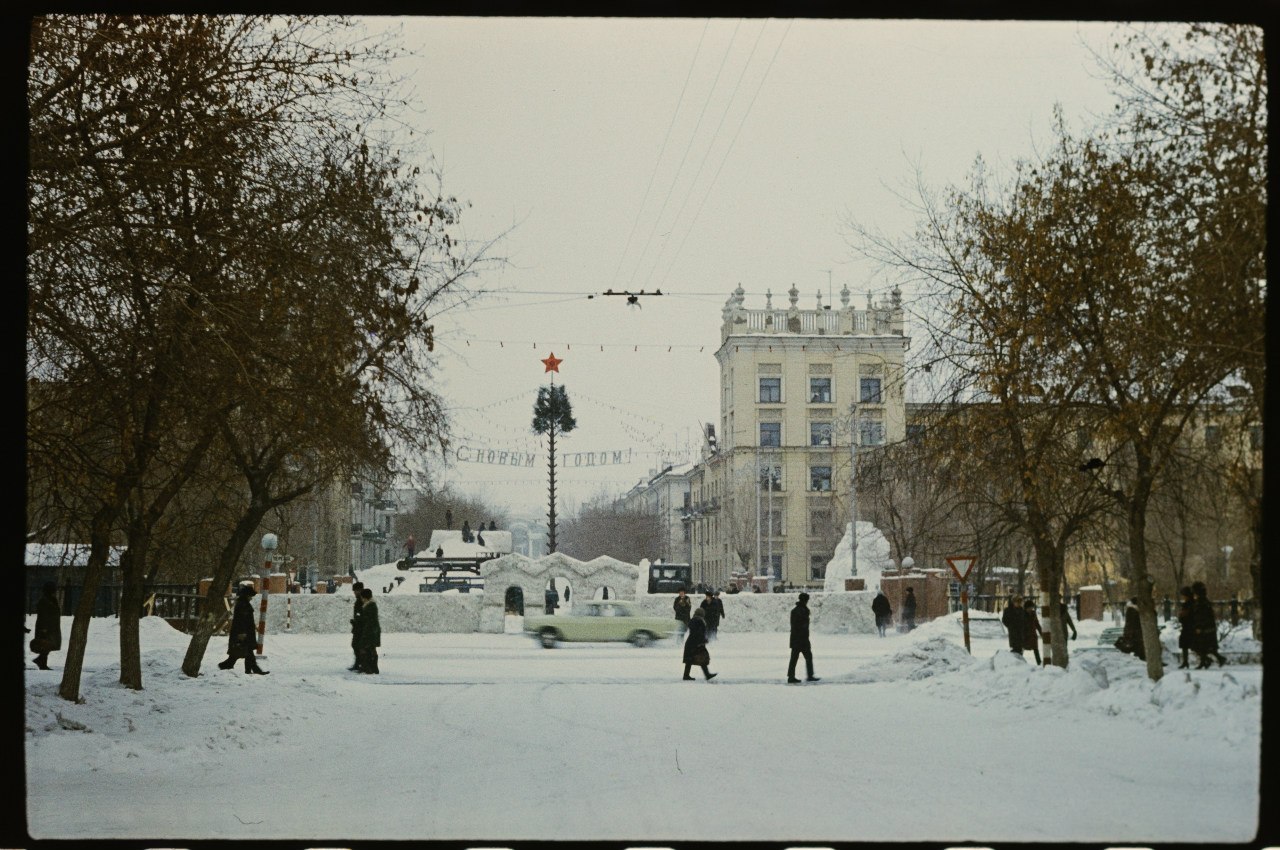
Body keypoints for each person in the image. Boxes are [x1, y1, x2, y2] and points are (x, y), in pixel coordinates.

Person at [218, 584, 269, 674]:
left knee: (244, 653)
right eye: (250, 596)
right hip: (243, 633)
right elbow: (241, 620)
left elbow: (247, 619)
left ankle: (250, 671)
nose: (251, 598)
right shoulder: (242, 604)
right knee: (242, 653)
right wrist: (241, 633)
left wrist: (254, 627)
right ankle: (227, 666)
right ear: (247, 595)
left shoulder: (243, 603)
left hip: (245, 632)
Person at [1191, 581, 1226, 668]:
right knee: (1205, 646)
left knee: (1201, 645)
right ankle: (1208, 660)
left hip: (1204, 628)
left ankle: (1206, 661)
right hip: (1207, 628)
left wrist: (1199, 626)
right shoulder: (1203, 601)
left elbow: (1201, 616)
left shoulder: (1202, 602)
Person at [786, 592, 819, 683]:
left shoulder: (796, 610)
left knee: (794, 658)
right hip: (801, 639)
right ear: (805, 600)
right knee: (807, 657)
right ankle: (809, 675)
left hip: (796, 639)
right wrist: (804, 637)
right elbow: (801, 626)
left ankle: (791, 676)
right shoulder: (802, 610)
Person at [31, 581, 62, 670]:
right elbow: (43, 615)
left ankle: (41, 661)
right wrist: (43, 629)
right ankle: (41, 662)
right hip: (45, 627)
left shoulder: (52, 599)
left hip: (52, 627)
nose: (55, 591)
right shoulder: (44, 600)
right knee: (46, 644)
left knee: (48, 645)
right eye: (53, 589)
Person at [681, 608, 717, 681]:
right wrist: (703, 640)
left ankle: (686, 675)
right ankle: (707, 675)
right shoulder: (699, 621)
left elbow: (696, 632)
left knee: (690, 660)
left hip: (691, 643)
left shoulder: (693, 620)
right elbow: (699, 633)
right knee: (702, 657)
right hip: (696, 643)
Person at [353, 588, 381, 673]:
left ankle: (367, 668)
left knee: (363, 647)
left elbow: (368, 620)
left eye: (362, 597)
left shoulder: (370, 606)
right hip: (373, 630)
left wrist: (359, 619)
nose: (361, 599)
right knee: (371, 648)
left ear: (365, 598)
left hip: (370, 631)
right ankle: (373, 668)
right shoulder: (371, 605)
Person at [1176, 586, 1197, 669]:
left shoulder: (1188, 604)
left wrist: (1182, 617)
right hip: (1188, 626)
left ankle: (1186, 662)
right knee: (1186, 645)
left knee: (1190, 645)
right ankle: (1185, 662)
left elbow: (1184, 615)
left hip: (1189, 626)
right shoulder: (1193, 603)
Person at [348, 581, 365, 670]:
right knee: (355, 645)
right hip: (358, 627)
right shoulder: (359, 600)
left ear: (360, 590)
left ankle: (360, 664)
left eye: (355, 591)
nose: (354, 593)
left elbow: (363, 614)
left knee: (358, 645)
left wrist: (357, 621)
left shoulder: (362, 600)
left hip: (361, 627)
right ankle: (358, 663)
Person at [1023, 598, 1044, 665]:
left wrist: (1041, 633)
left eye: (1032, 607)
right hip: (1025, 635)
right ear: (1026, 608)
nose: (1031, 609)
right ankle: (1018, 663)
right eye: (1029, 608)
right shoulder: (1022, 614)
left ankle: (1039, 663)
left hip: (1033, 635)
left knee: (1036, 650)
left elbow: (1037, 623)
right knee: (1022, 649)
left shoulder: (1033, 614)